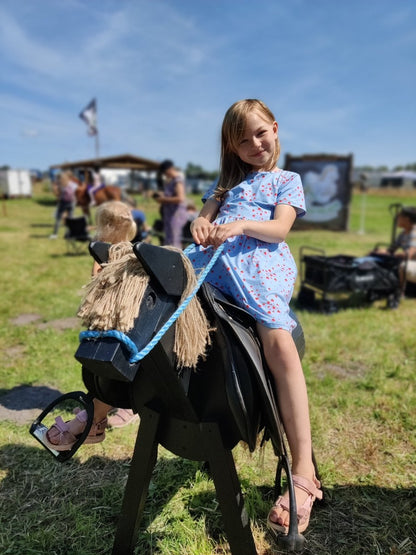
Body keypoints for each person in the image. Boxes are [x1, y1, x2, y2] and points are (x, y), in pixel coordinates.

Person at [187, 99, 322, 535]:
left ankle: (304, 469)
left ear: (275, 129)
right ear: (231, 147)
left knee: (277, 340)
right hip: (215, 263)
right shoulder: (223, 187)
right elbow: (200, 220)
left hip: (259, 264)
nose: (254, 144)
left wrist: (241, 225)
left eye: (260, 133)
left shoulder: (286, 180)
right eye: (242, 140)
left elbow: (280, 229)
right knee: (156, 303)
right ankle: (99, 409)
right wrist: (201, 226)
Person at [45, 201, 139, 450]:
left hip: (120, 319)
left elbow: (97, 278)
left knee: (118, 361)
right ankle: (98, 409)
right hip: (111, 319)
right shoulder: (111, 250)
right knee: (102, 364)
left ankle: (103, 414)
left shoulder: (125, 251)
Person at [373, 207, 416, 293]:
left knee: (403, 266)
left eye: (399, 216)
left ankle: (400, 292)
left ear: (407, 219)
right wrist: (378, 252)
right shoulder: (403, 233)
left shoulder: (414, 233)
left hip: (412, 263)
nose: (397, 218)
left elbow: (409, 254)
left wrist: (391, 255)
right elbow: (391, 249)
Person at [155, 160, 189, 248]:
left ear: (170, 169)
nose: (165, 175)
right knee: (169, 239)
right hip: (170, 215)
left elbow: (180, 198)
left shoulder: (178, 180)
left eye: (165, 172)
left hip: (176, 215)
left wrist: (163, 199)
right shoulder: (171, 181)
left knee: (174, 240)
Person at [49, 171, 78, 239]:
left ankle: (55, 234)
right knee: (70, 219)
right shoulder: (74, 184)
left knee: (58, 218)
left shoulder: (62, 185)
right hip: (71, 203)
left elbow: (58, 194)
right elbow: (75, 193)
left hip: (63, 202)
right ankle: (68, 234)